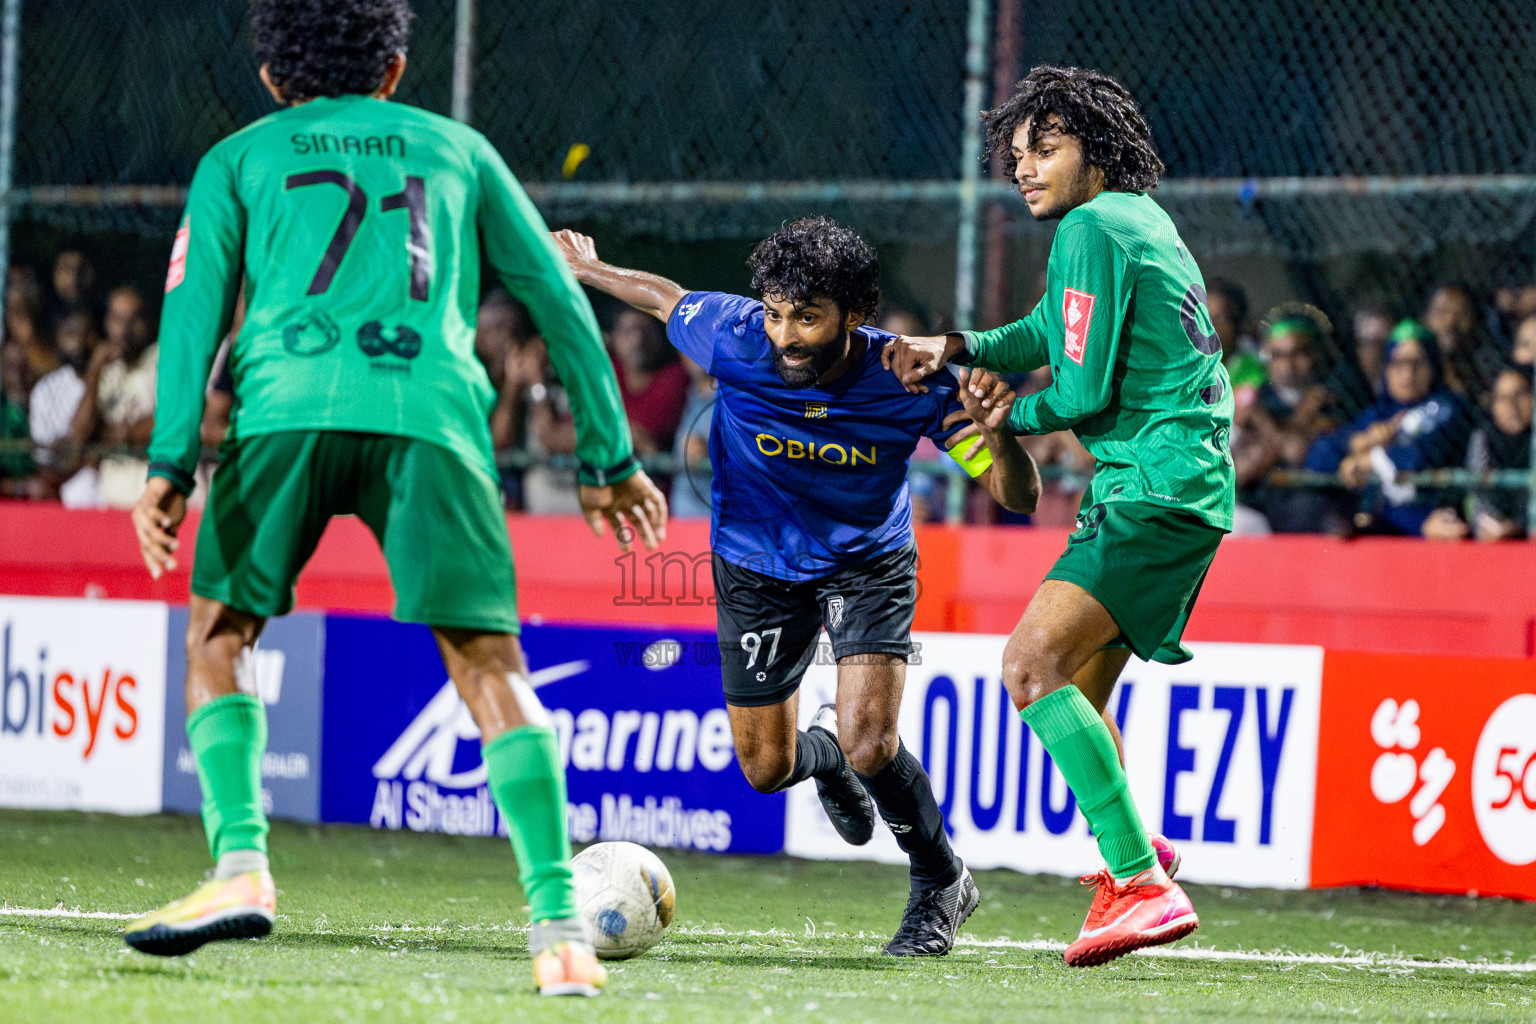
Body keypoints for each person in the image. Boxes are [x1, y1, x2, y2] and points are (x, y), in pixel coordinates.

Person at [122, 0, 666, 998]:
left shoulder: (238, 157)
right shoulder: (455, 147)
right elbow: (554, 292)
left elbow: (192, 310)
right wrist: (608, 455)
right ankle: (558, 927)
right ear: (396, 69)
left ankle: (241, 862)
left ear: (272, 78)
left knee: (219, 633)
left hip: (284, 408)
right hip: (434, 416)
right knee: (489, 665)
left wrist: (166, 463)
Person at [554, 216, 1042, 956]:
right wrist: (589, 269)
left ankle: (941, 881)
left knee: (873, 740)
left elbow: (1019, 497)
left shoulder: (909, 380)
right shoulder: (738, 335)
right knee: (766, 768)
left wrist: (997, 435)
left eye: (807, 318)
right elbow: (664, 299)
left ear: (855, 316)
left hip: (867, 565)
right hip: (755, 567)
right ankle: (828, 755)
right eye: (777, 313)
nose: (784, 334)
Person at [884, 65, 1224, 967]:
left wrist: (1002, 415)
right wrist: (955, 348)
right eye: (1018, 153)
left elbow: (1079, 388)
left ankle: (1141, 885)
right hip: (1176, 487)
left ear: (1096, 152)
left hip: (1151, 487)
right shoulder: (1136, 221)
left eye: (1047, 148)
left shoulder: (1090, 226)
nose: (1025, 168)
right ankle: (1138, 860)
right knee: (1075, 691)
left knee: (1030, 668)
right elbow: (1044, 332)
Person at [1306, 320, 1472, 537]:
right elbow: (1318, 459)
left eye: (1417, 362)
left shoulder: (1451, 408)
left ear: (1433, 366)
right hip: (1389, 522)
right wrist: (1359, 442)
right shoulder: (1379, 413)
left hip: (1434, 520)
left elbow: (1417, 458)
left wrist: (1365, 461)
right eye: (1398, 363)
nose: (1407, 373)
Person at [1232, 306, 1342, 533]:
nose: (1288, 365)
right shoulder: (1260, 398)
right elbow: (1238, 470)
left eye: (1298, 353)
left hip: (1310, 508)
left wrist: (1266, 425)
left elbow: (1296, 451)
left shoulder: (1332, 400)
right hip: (1257, 506)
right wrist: (1300, 419)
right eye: (1278, 355)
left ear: (1315, 354)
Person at [1426, 363, 1532, 543]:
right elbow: (1467, 496)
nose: (1511, 405)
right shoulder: (1481, 440)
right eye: (1502, 398)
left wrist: (1518, 527)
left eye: (1520, 394)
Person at [611, 306, 689, 456]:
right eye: (628, 331)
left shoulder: (677, 376)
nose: (638, 339)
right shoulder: (607, 372)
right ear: (614, 338)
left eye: (646, 330)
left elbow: (648, 427)